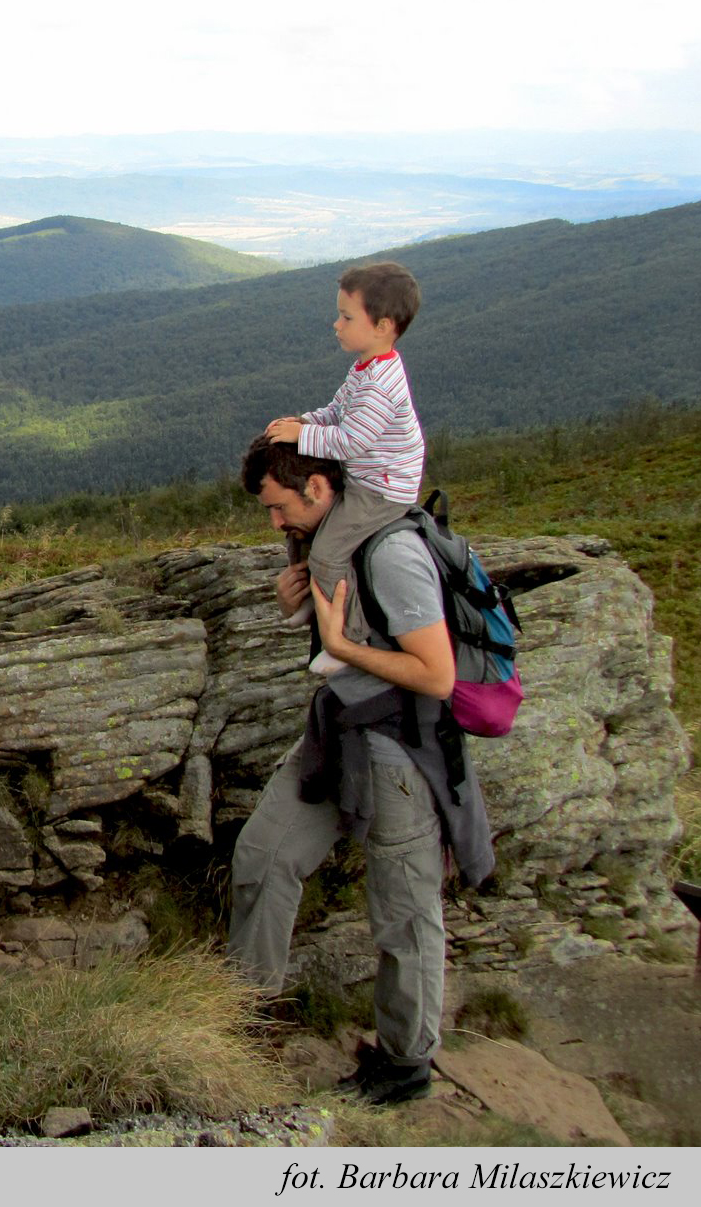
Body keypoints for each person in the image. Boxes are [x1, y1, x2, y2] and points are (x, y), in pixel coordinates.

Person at [228, 435, 494, 1106]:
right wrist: (295, 605)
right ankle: (240, 1025)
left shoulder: (392, 554)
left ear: (318, 488)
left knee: (403, 912)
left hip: (401, 749)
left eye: (280, 506)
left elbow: (435, 674)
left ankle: (405, 1065)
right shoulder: (329, 542)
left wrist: (341, 645)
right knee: (263, 854)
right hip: (339, 732)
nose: (275, 522)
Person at [264, 261, 425, 676]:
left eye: (347, 317)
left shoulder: (380, 384)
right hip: (367, 478)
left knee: (328, 555)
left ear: (383, 326)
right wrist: (305, 421)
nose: (337, 325)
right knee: (302, 534)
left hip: (382, 490)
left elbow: (352, 441)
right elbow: (337, 411)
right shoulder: (366, 367)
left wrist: (302, 436)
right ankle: (308, 603)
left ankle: (347, 639)